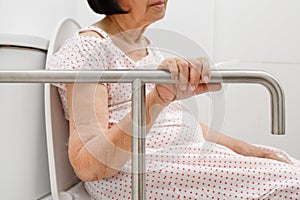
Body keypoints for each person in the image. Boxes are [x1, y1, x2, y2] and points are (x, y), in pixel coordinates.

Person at [47, 0, 300, 199]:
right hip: (135, 175)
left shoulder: (147, 48)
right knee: (292, 185)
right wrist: (156, 98)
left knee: (285, 166)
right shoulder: (89, 49)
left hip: (180, 157)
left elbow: (178, 122)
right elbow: (88, 165)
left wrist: (250, 150)